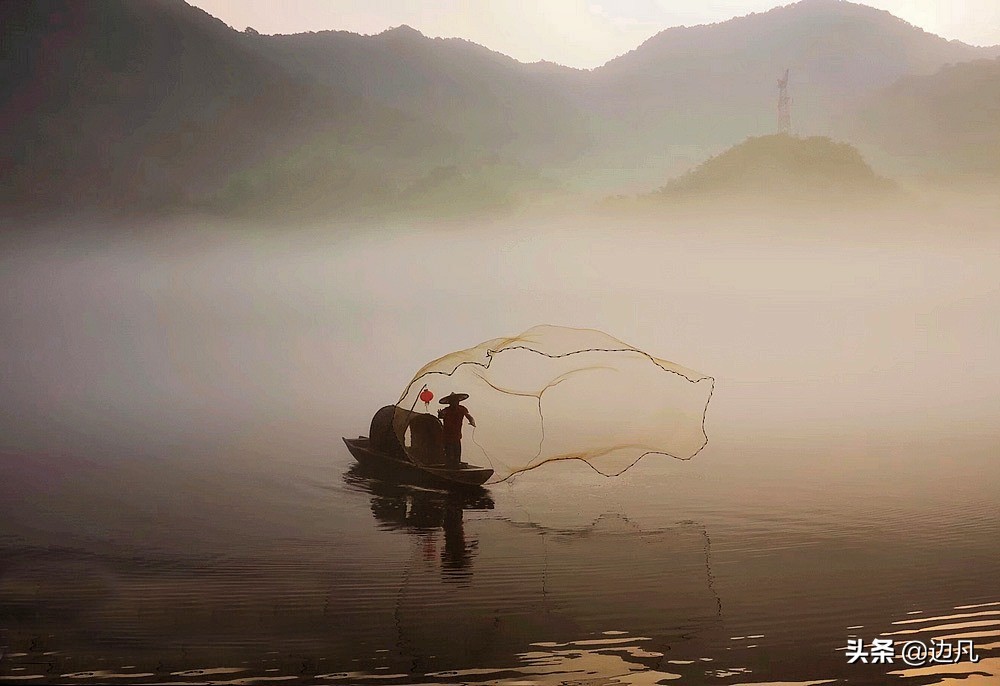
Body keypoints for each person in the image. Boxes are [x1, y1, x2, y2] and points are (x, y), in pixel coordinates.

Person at [437, 392, 476, 467]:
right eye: (453, 401)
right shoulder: (446, 410)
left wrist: (472, 421)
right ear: (450, 402)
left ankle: (456, 465)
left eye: (456, 400)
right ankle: (449, 467)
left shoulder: (462, 409)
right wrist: (440, 414)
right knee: (449, 455)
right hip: (447, 436)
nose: (455, 402)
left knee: (457, 454)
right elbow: (441, 416)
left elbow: (469, 416)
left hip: (457, 436)